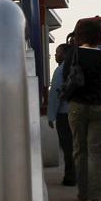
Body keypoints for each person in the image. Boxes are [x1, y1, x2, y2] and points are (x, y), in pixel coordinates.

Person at [67, 19, 101, 201]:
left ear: (79, 34)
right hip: (100, 106)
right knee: (97, 151)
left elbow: (65, 79)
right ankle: (96, 195)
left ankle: (82, 192)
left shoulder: (73, 54)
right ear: (98, 36)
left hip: (77, 106)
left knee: (80, 150)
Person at [46, 42, 76, 186]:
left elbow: (55, 95)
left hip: (64, 114)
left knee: (67, 147)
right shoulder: (76, 68)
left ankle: (70, 177)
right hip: (78, 112)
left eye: (58, 52)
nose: (55, 55)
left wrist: (51, 116)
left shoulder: (60, 70)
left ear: (64, 54)